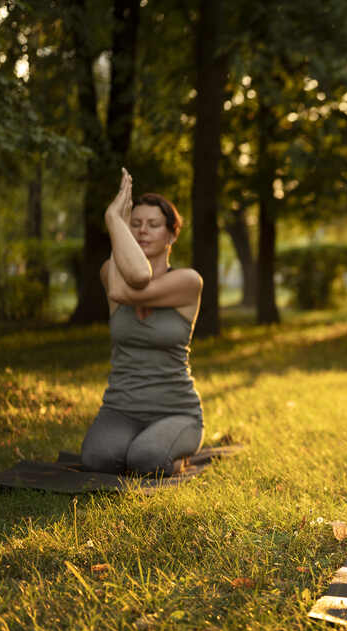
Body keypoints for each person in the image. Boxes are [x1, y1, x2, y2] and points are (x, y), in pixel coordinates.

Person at [80, 168, 204, 476]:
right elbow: (127, 279)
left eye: (153, 225)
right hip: (120, 410)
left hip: (176, 412)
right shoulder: (110, 270)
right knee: (98, 461)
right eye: (133, 224)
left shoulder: (188, 281)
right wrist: (117, 224)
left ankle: (169, 451)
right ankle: (136, 444)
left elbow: (131, 286)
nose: (142, 231)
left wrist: (113, 219)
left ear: (172, 234)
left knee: (147, 460)